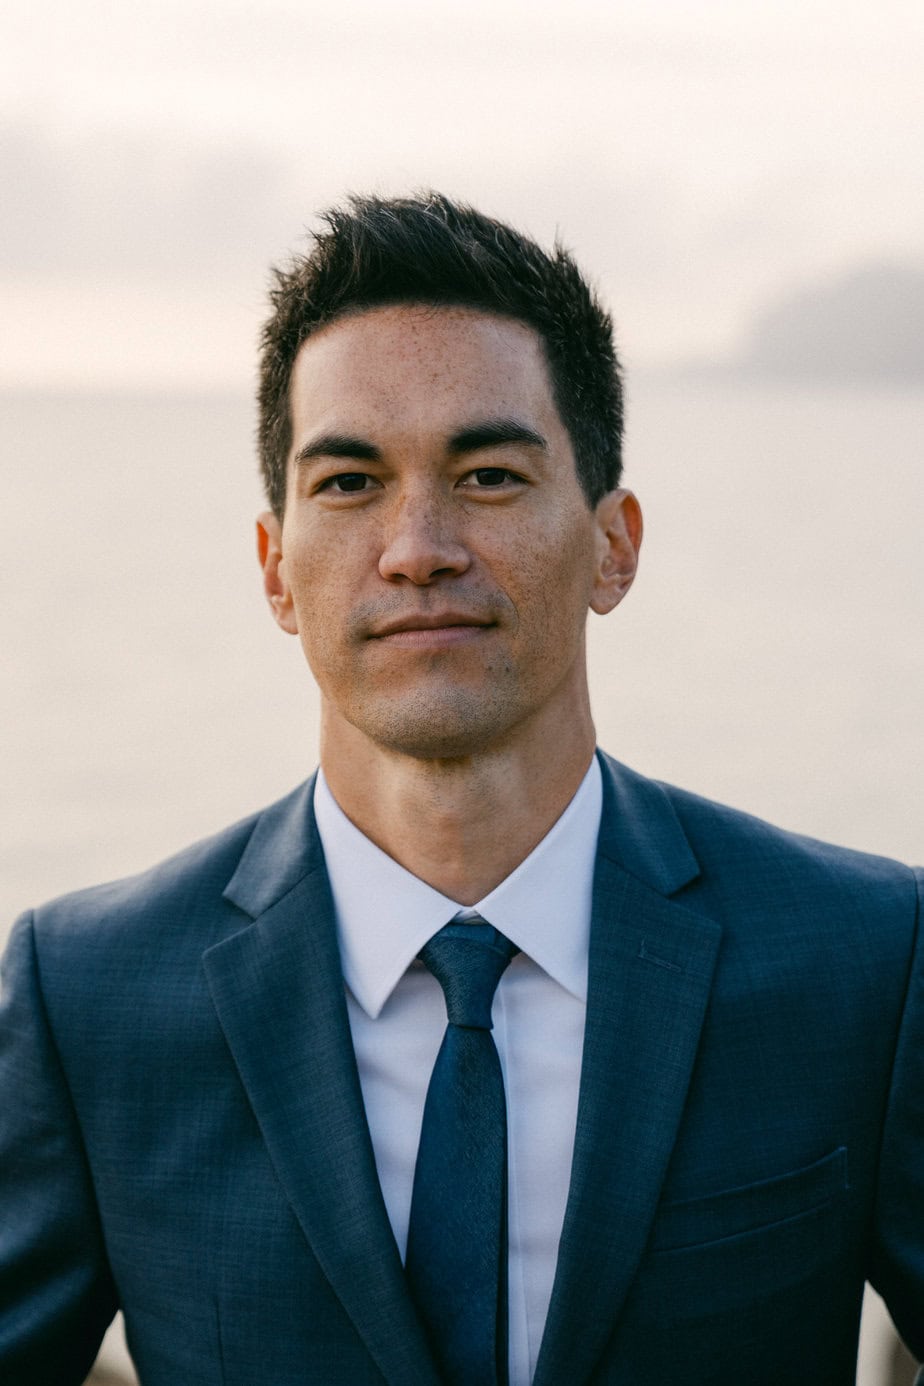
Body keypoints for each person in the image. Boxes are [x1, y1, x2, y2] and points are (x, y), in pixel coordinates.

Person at [0, 192, 921, 1386]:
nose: (418, 543)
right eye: (347, 482)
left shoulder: (869, 961)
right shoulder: (89, 1000)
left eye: (487, 474)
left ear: (614, 544)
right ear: (276, 570)